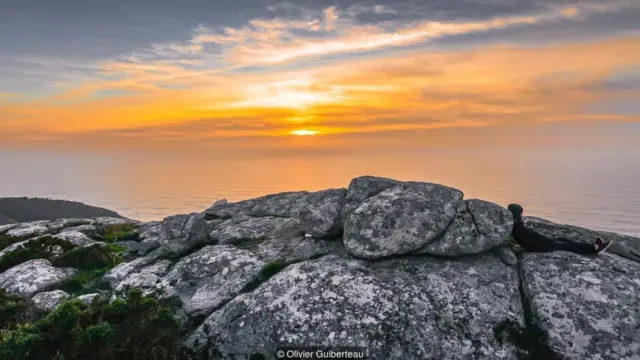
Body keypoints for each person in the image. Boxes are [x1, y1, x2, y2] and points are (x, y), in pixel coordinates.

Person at [508, 204, 613, 255]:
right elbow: (526, 242)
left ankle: (594, 246)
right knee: (566, 245)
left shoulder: (516, 224)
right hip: (540, 245)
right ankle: (593, 249)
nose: (522, 215)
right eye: (521, 213)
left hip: (541, 241)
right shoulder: (517, 226)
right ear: (517, 214)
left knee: (564, 239)